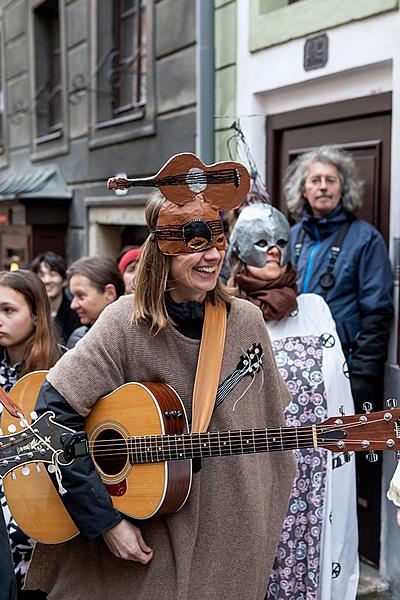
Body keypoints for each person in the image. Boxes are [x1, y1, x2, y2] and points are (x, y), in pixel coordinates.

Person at [24, 154, 296, 600]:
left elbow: (267, 429)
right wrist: (106, 521)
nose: (212, 255)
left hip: (223, 535)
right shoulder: (122, 323)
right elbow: (52, 413)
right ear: (163, 249)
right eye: (195, 243)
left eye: (218, 239)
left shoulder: (245, 321)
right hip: (143, 541)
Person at [229, 203, 359, 600]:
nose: (273, 250)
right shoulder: (224, 315)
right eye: (262, 240)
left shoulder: (316, 310)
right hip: (249, 475)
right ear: (237, 249)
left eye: (281, 241)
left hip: (314, 477)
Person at [284, 146, 394, 411]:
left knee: (350, 449)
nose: (323, 187)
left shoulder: (366, 238)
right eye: (315, 180)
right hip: (296, 368)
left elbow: (377, 312)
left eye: (330, 180)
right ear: (303, 190)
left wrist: (362, 375)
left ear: (343, 190)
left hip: (347, 367)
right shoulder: (290, 236)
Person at [0, 270, 62, 597]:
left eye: (9, 311)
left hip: (42, 510)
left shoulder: (63, 370)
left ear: (36, 316)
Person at [66, 256, 125, 348]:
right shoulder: (78, 339)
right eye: (73, 296)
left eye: (81, 296)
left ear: (109, 293)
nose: (73, 305)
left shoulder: (135, 340)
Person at [29, 252, 81, 345]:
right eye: (41, 275)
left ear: (64, 280)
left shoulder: (76, 312)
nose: (46, 280)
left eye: (53, 274)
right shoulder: (29, 312)